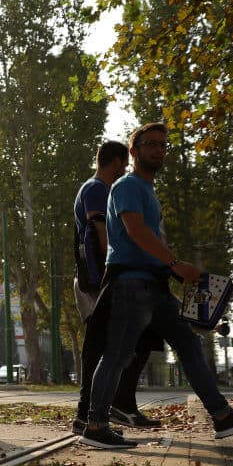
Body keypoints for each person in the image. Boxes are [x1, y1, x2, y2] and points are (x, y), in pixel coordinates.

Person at [81, 123, 233, 448]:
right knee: (117, 354)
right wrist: (175, 264)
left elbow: (152, 238)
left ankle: (222, 417)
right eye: (150, 144)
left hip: (154, 286)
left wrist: (177, 269)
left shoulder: (148, 191)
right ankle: (95, 425)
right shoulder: (127, 185)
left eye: (162, 145)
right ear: (134, 151)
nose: (157, 150)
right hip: (131, 283)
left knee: (189, 345)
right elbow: (136, 232)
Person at [72, 140, 161, 434]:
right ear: (115, 163)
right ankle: (90, 413)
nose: (124, 171)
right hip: (101, 278)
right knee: (100, 345)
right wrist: (116, 273)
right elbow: (101, 233)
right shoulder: (97, 189)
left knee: (123, 341)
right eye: (123, 165)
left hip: (101, 277)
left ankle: (111, 406)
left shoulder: (95, 188)